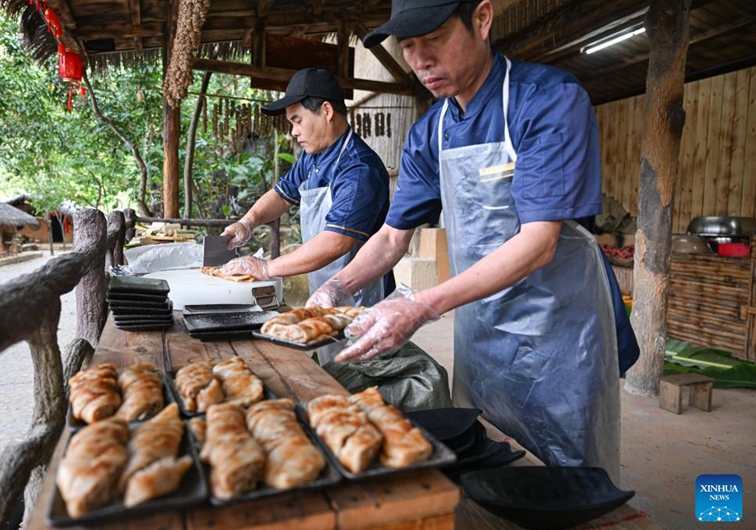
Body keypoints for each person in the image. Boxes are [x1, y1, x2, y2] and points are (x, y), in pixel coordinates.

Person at [306, 0, 633, 482]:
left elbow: (541, 241)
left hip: (561, 329)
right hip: (483, 323)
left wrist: (420, 306)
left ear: (481, 20)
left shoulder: (547, 100)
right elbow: (394, 236)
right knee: (487, 453)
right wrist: (338, 286)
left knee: (573, 473)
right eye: (409, 46)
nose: (419, 60)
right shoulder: (430, 131)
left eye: (433, 39)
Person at [220, 68, 395, 353]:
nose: (293, 131)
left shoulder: (359, 168)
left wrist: (267, 268)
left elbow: (336, 241)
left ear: (326, 110)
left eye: (297, 120)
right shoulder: (312, 157)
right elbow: (281, 194)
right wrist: (247, 222)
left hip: (361, 302)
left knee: (362, 381)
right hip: (324, 296)